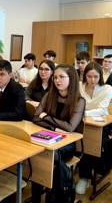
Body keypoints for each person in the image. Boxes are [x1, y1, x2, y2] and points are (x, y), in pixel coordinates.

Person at [32, 64, 85, 203]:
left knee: (49, 155)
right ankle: (36, 197)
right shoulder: (50, 94)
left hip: (67, 144)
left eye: (62, 77)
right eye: (55, 77)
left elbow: (69, 128)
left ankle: (56, 196)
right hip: (48, 137)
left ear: (71, 79)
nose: (57, 80)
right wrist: (55, 128)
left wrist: (46, 117)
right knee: (35, 154)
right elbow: (36, 117)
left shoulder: (79, 101)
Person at [76, 62, 112, 195]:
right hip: (81, 123)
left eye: (96, 77)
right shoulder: (79, 86)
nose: (92, 80)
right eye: (89, 76)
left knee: (90, 145)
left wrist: (81, 113)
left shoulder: (107, 88)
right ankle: (71, 172)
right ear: (84, 75)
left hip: (102, 125)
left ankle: (84, 177)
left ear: (100, 76)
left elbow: (102, 110)